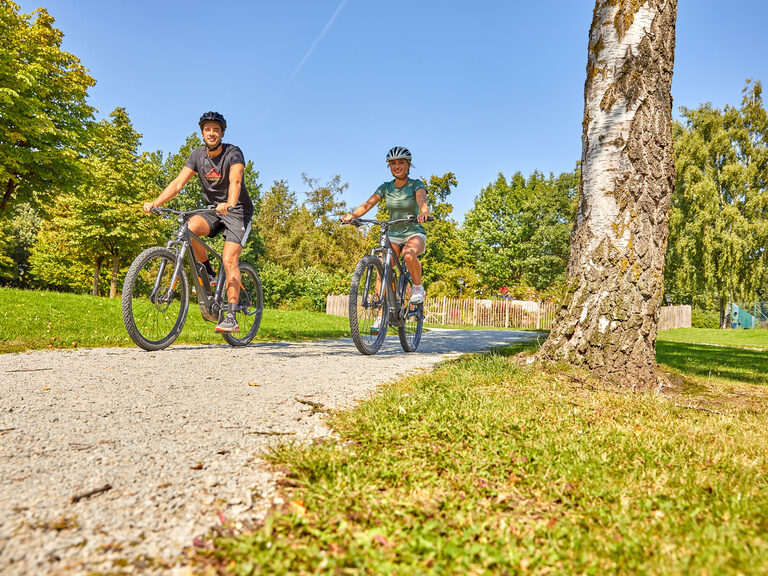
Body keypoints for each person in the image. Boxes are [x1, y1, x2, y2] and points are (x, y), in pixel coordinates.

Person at [143, 111, 253, 333]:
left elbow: (236, 180)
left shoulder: (233, 152)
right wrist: (155, 202)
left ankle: (230, 316)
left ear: (221, 133)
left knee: (229, 258)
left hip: (237, 211)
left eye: (216, 129)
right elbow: (178, 183)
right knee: (189, 229)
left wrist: (230, 203)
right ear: (202, 132)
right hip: (213, 211)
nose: (211, 133)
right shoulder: (197, 155)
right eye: (207, 129)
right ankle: (210, 275)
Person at [342, 146, 430, 328]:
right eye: (393, 163)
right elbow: (368, 204)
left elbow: (422, 201)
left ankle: (417, 288)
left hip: (414, 232)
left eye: (401, 163)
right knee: (382, 266)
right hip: (393, 233)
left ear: (408, 165)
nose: (397, 166)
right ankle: (381, 316)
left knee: (408, 254)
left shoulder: (416, 184)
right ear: (389, 166)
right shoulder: (386, 187)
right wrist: (354, 215)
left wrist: (424, 212)